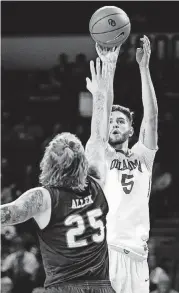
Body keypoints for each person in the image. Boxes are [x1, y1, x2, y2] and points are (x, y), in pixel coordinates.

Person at [1, 83, 116, 293]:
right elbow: (99, 139)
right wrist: (100, 95)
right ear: (82, 163)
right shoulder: (98, 183)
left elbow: (7, 213)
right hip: (102, 287)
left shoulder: (44, 199)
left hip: (64, 287)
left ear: (48, 163)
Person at [86, 35, 158, 293]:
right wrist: (110, 66)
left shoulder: (143, 157)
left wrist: (144, 67)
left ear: (131, 130)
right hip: (108, 251)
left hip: (139, 256)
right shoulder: (101, 153)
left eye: (121, 122)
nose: (114, 124)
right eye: (112, 121)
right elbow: (102, 113)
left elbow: (151, 116)